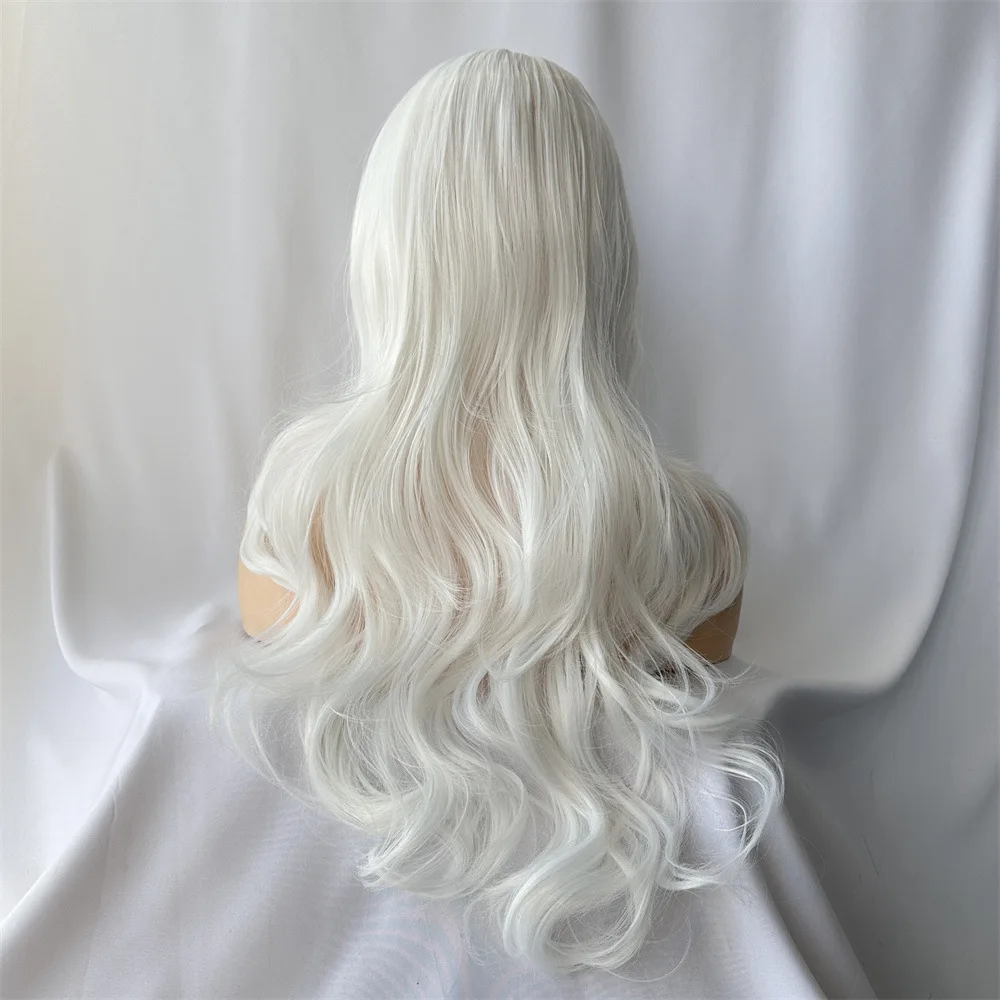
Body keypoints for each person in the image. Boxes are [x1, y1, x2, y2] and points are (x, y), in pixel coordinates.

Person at [222, 49, 779, 974]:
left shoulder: (299, 509)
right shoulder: (692, 542)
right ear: (599, 252)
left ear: (392, 244)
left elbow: (264, 625)